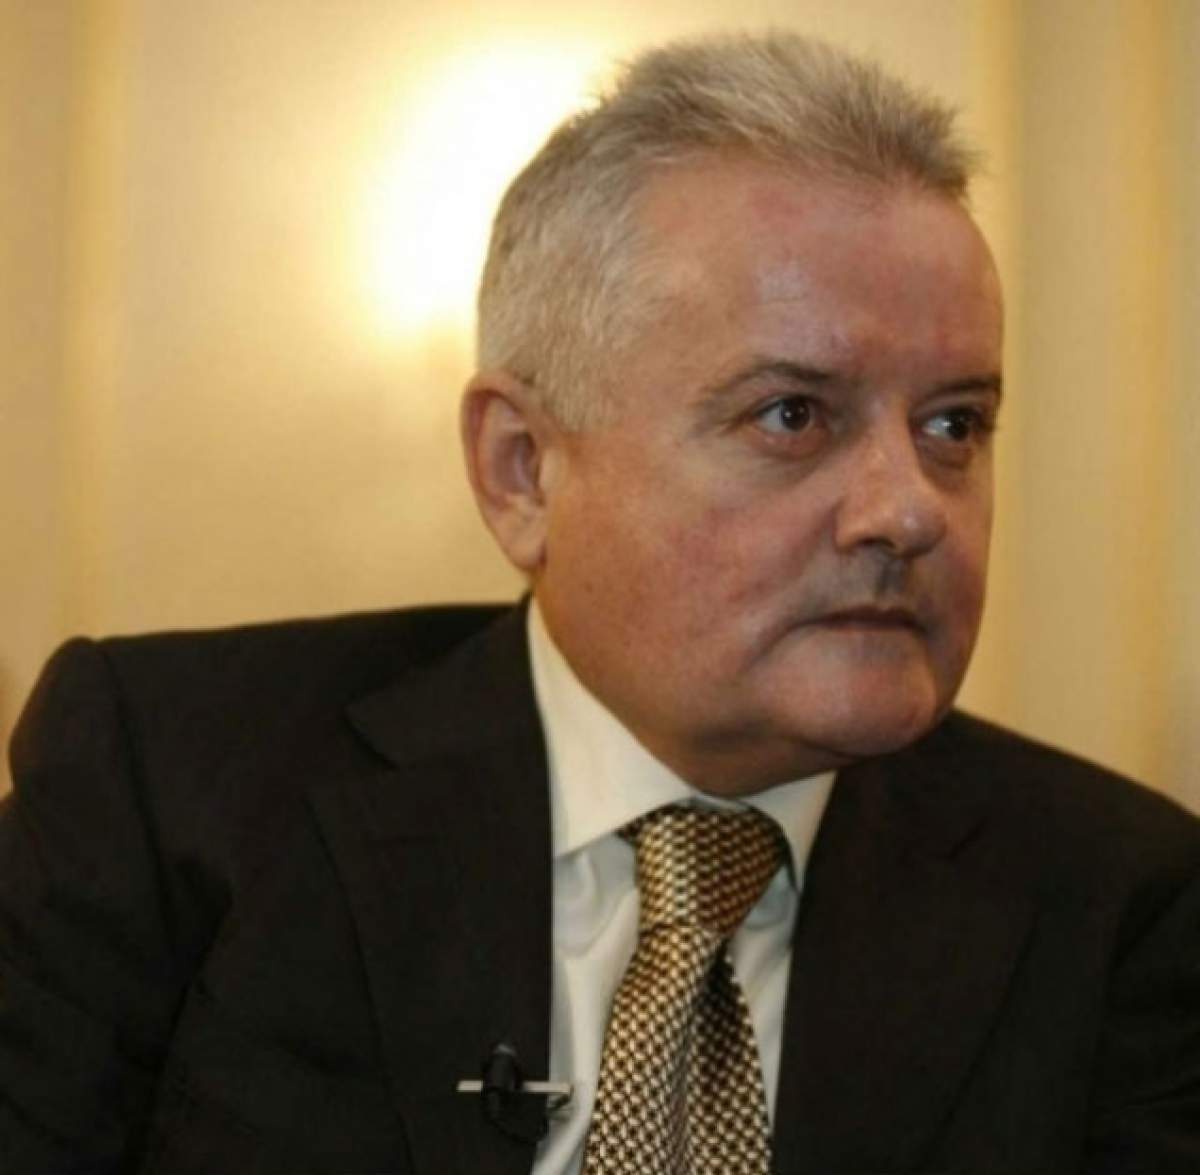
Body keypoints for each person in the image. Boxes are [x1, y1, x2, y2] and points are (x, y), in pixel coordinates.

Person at [3, 31, 1198, 1175]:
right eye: (792, 414)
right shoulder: (164, 787)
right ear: (523, 469)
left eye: (954, 424)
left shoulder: (1122, 906)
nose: (908, 508)